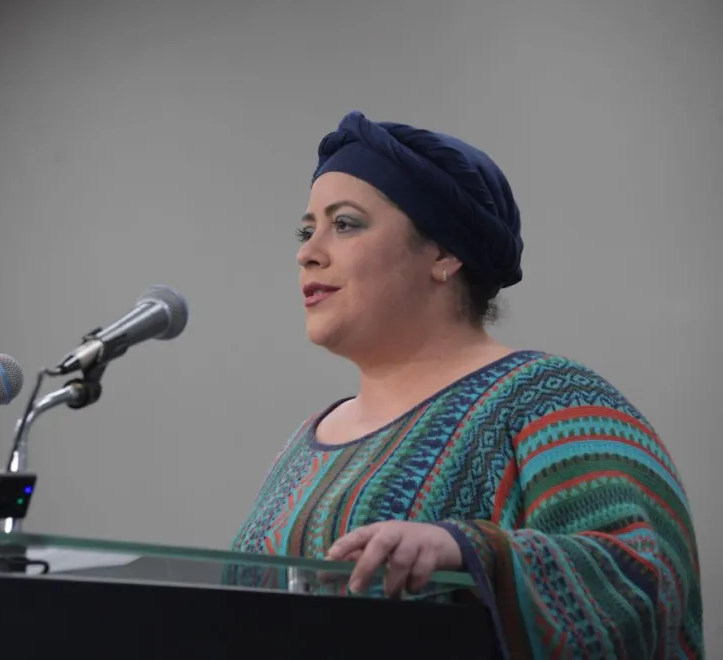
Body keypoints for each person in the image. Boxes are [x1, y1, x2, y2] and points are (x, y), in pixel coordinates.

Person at [230, 111, 703, 658]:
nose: (307, 251)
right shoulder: (305, 441)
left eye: (345, 223)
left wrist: (470, 550)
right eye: (306, 229)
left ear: (443, 252)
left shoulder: (548, 399)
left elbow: (645, 585)